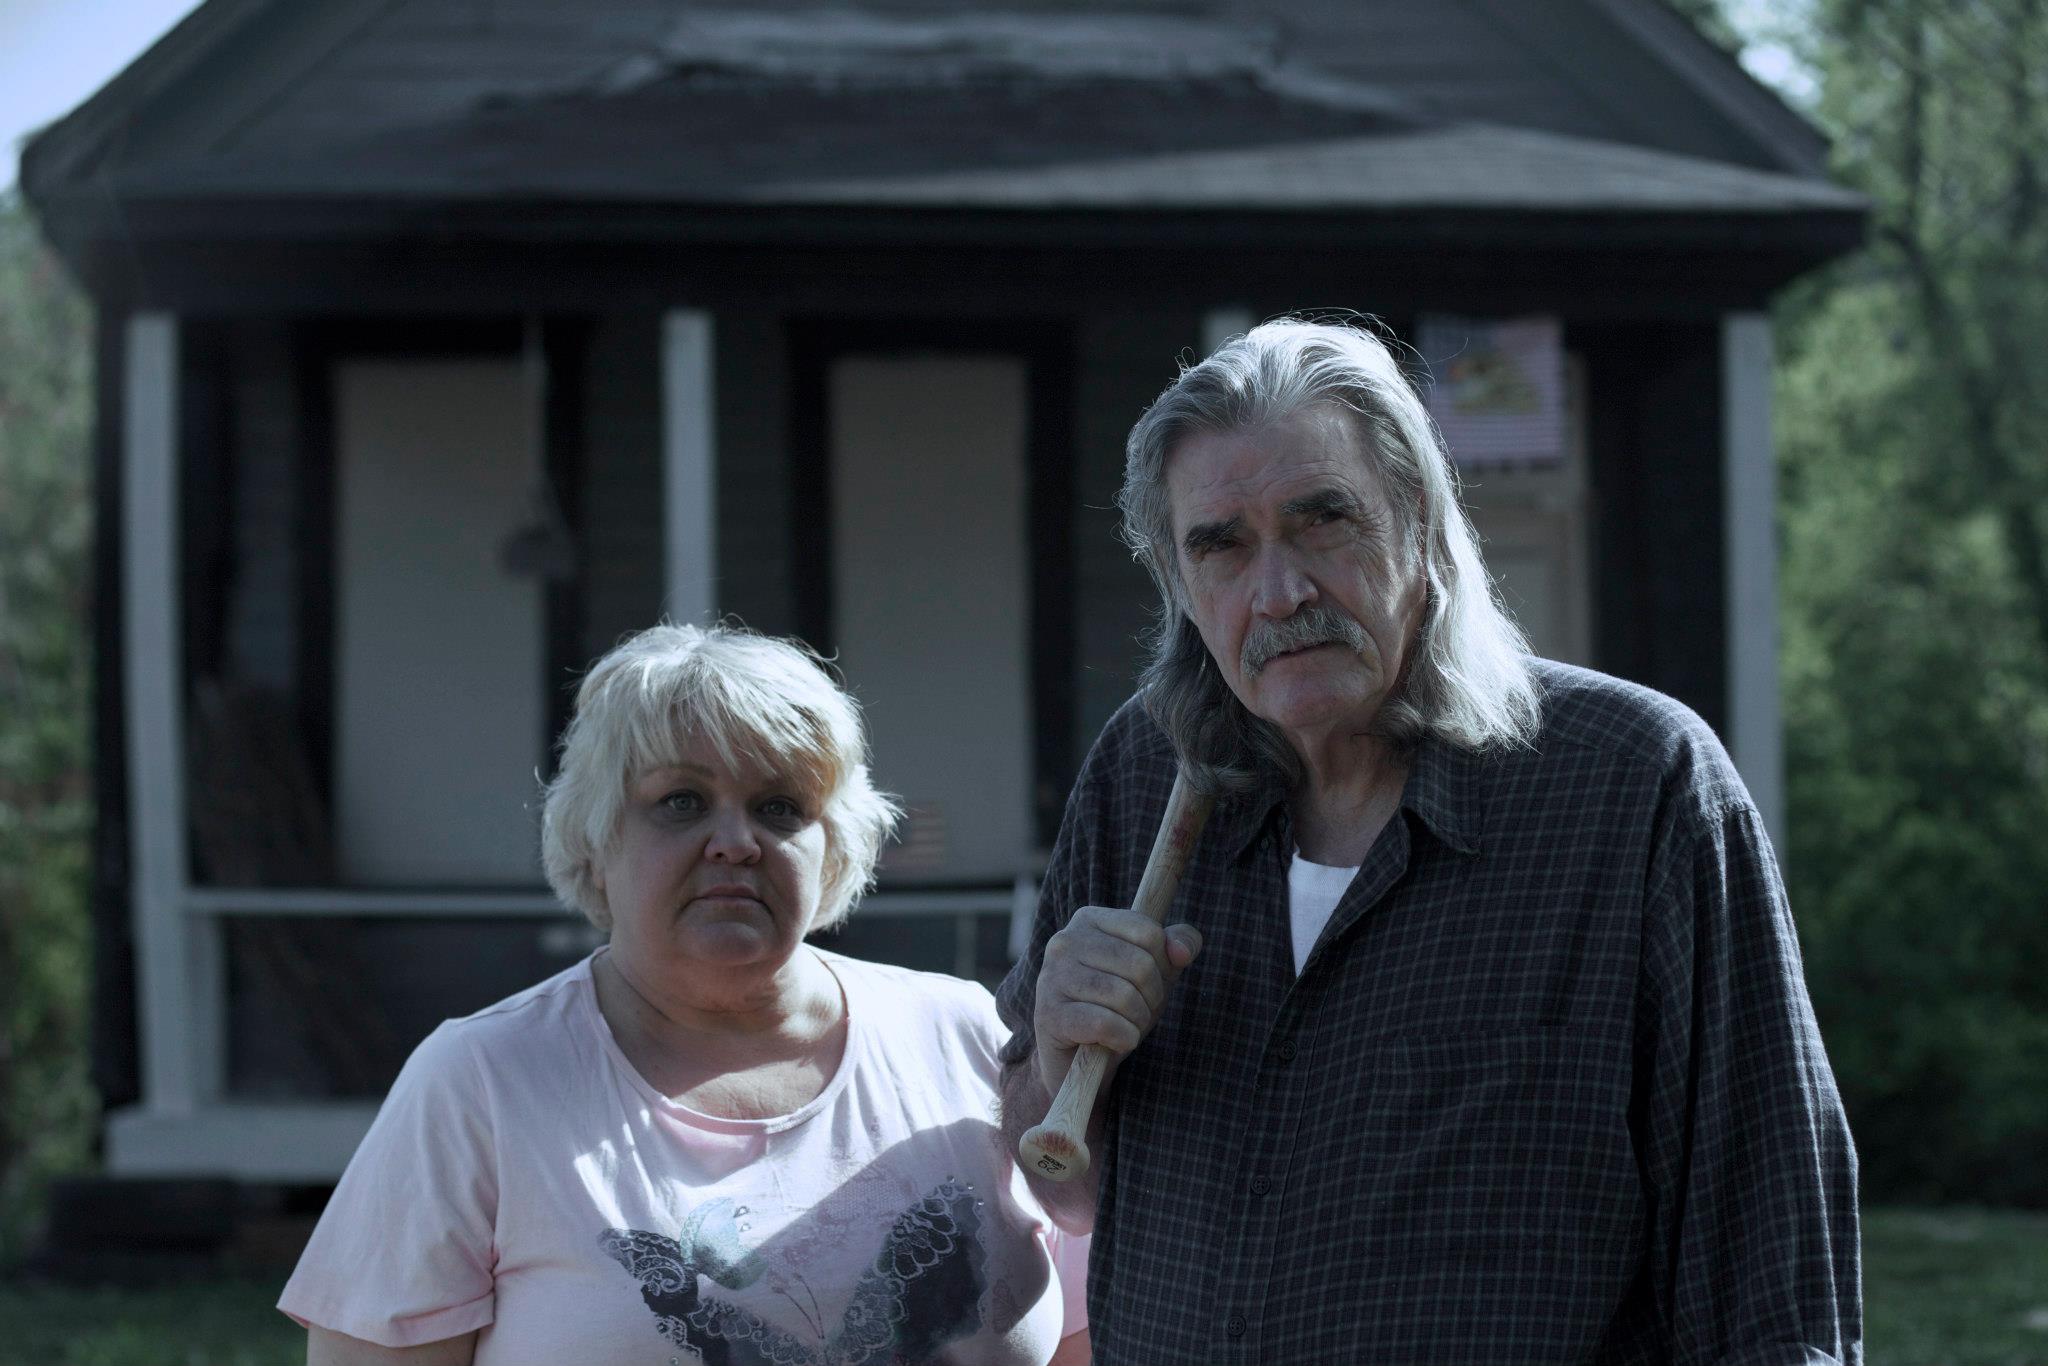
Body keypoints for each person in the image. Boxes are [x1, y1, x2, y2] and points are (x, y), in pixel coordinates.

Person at [998, 319, 1860, 1364]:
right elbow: (1059, 1183)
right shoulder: (1142, 777)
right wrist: (1052, 1055)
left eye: (1323, 521)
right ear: (1179, 582)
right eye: (1219, 543)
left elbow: (1766, 1256)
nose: (1277, 592)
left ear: (1418, 522)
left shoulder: (1633, 784)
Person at [283, 623, 1089, 1365]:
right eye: (681, 802)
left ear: (833, 845)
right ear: (596, 836)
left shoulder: (964, 1035)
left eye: (780, 807)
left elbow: (1087, 1337)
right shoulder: (482, 1080)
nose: (736, 843)